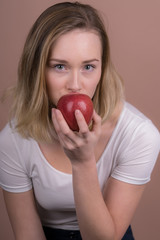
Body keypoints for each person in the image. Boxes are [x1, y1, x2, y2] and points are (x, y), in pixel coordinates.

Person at [0, 2, 160, 240]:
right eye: (60, 66)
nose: (75, 85)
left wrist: (83, 162)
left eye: (88, 66)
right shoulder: (13, 139)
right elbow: (28, 235)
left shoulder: (138, 134)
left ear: (102, 69)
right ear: (37, 71)